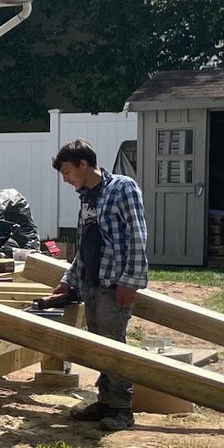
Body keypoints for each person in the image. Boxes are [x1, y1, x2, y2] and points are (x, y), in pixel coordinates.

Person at [47, 138, 149, 431]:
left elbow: (137, 237)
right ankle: (105, 401)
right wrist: (69, 282)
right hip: (91, 283)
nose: (66, 179)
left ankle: (122, 409)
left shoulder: (123, 188)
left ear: (83, 164)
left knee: (115, 346)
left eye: (67, 172)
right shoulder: (87, 197)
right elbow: (85, 246)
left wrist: (130, 282)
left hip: (113, 283)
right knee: (100, 347)